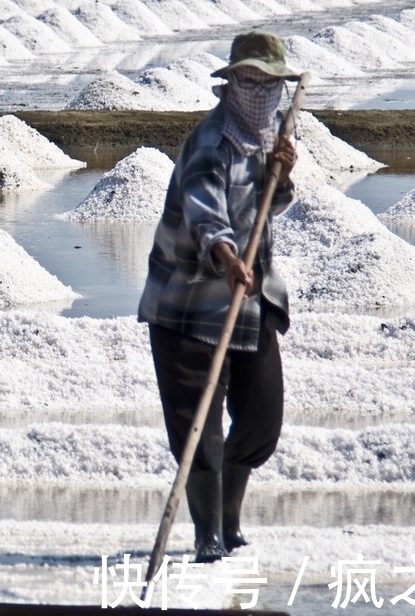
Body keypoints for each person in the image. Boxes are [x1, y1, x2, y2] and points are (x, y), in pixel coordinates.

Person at [137, 30, 300, 563]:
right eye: (248, 80)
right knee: (197, 428)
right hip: (187, 302)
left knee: (260, 418)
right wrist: (228, 258)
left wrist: (282, 175)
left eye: (269, 83)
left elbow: (262, 208)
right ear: (230, 84)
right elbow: (208, 214)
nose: (259, 92)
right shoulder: (211, 141)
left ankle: (229, 523)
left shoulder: (268, 135)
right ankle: (208, 534)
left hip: (247, 300)